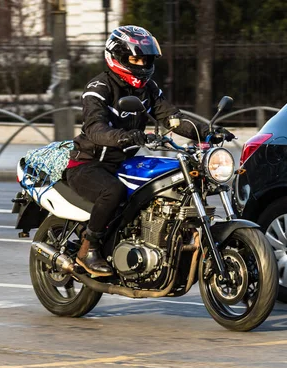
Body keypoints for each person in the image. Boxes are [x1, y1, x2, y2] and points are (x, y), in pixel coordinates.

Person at [65, 25, 233, 277]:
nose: (142, 64)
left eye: (146, 59)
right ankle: (88, 249)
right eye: (135, 58)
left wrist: (208, 131)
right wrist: (123, 136)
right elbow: (94, 128)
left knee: (160, 186)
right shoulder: (99, 88)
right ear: (117, 56)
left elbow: (172, 118)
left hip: (122, 163)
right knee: (113, 191)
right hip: (89, 164)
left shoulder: (148, 89)